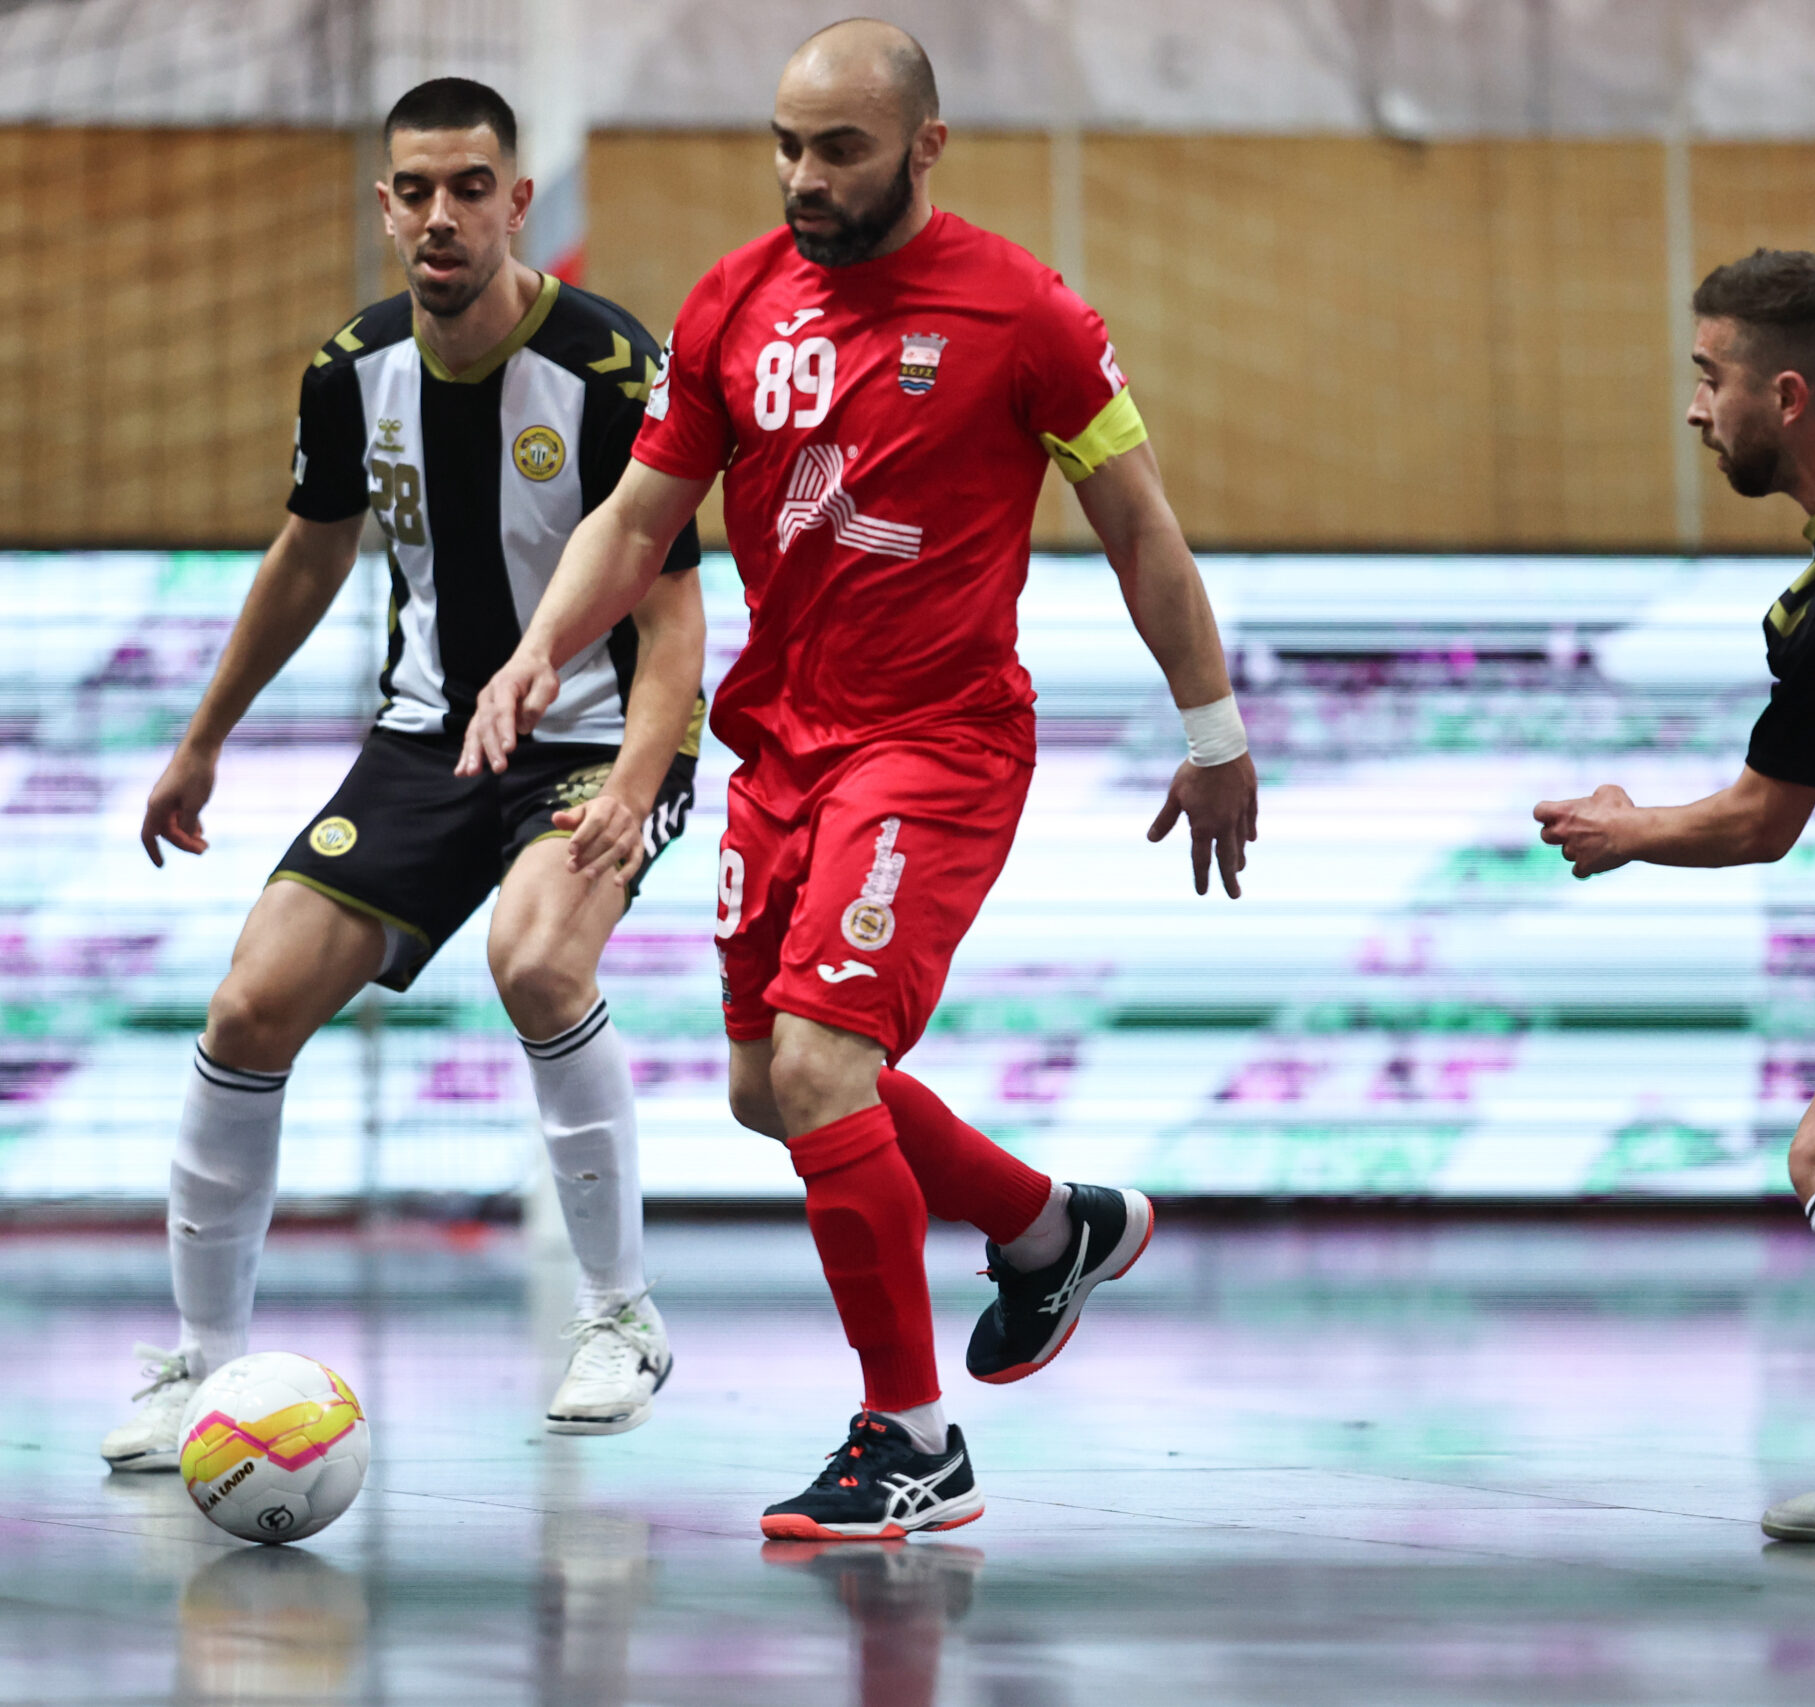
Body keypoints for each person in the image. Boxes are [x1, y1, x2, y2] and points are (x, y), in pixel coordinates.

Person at [464, 21, 1257, 1539]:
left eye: (838, 149)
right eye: (785, 145)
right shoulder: (733, 302)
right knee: (773, 1091)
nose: (802, 178)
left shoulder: (1024, 313)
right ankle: (1045, 1227)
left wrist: (1211, 732)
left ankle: (912, 1440)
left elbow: (1144, 532)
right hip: (786, 742)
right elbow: (639, 523)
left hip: (937, 744)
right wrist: (537, 653)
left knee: (827, 1068)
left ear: (925, 146)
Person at [100, 78, 707, 1470]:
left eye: (471, 188)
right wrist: (201, 739)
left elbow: (676, 615)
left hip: (592, 739)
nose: (443, 216)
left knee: (539, 962)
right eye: (416, 190)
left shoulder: (612, 371)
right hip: (427, 740)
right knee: (250, 1003)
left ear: (517, 202)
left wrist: (632, 783)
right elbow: (309, 554)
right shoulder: (350, 366)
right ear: (387, 206)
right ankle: (200, 1366)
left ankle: (619, 1315)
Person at [1539, 249, 1815, 1542]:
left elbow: (1761, 822)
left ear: (1785, 396)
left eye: (1709, 380)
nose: (1695, 409)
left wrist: (1626, 828)